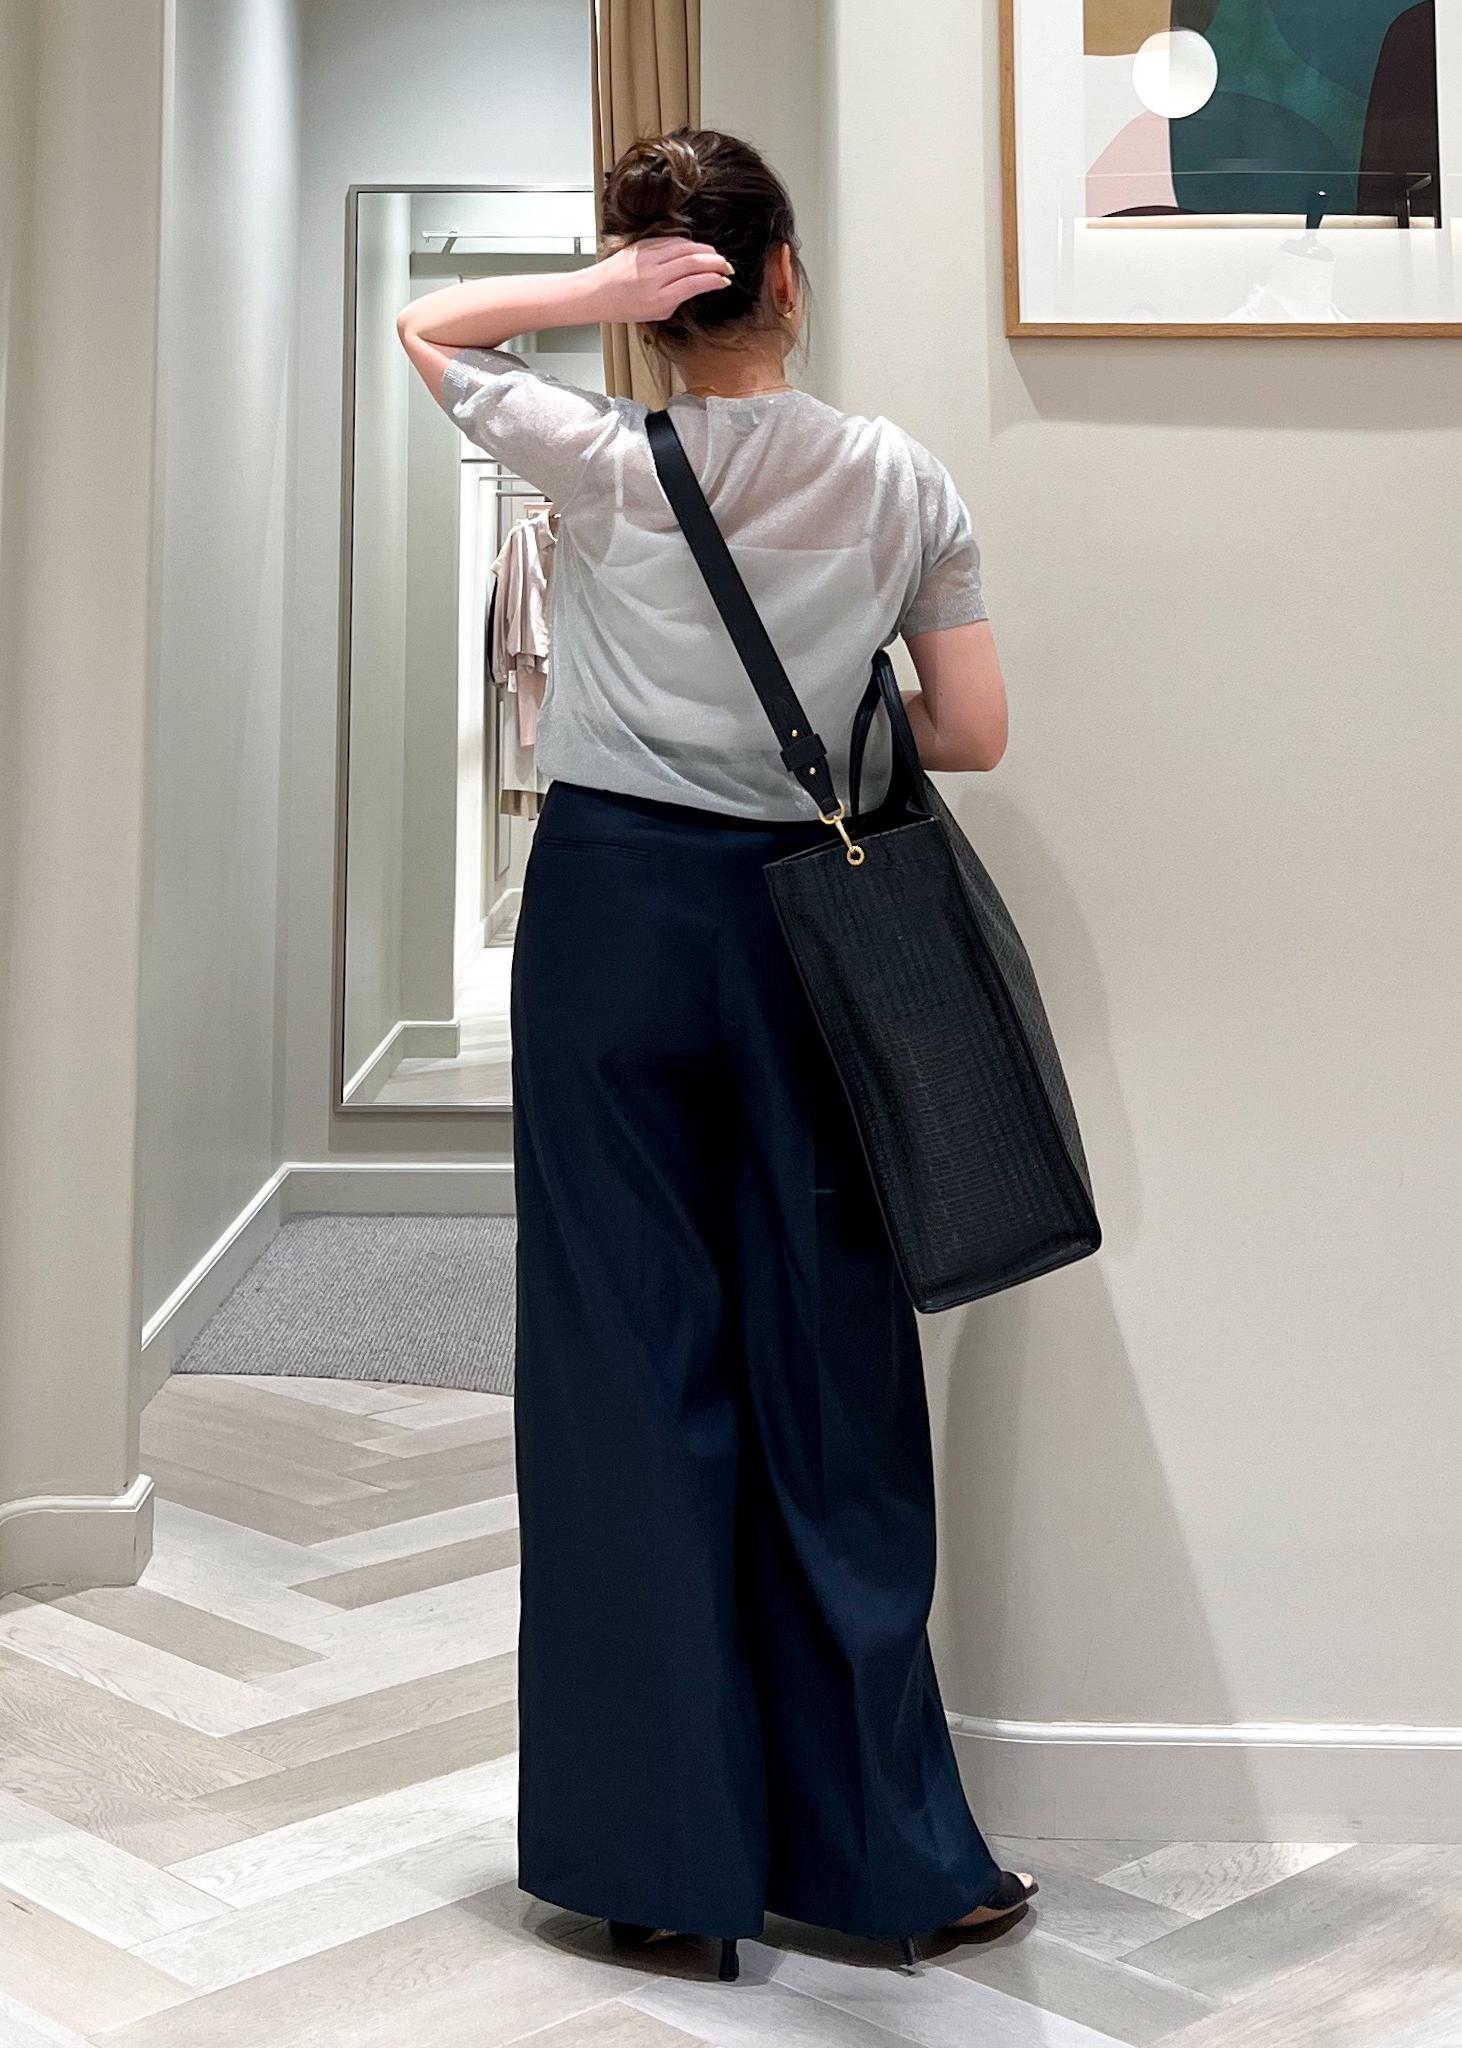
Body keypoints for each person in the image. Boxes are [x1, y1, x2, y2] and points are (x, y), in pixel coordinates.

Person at [398, 126, 1031, 1982]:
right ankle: (890, 1862)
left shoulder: (597, 457)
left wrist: (585, 293)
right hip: (809, 934)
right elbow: (970, 733)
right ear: (789, 280)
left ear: (651, 308)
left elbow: (429, 329)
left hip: (612, 926)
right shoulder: (897, 476)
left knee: (623, 1367)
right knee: (833, 1368)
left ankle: (658, 1864)